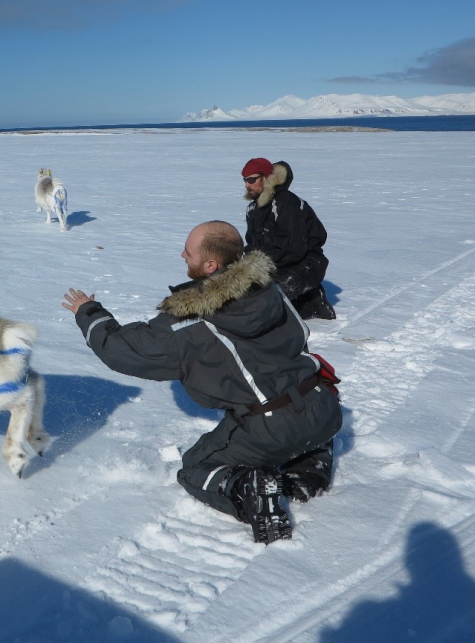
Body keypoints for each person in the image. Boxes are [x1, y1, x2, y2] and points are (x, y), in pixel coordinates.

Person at [62, 220, 342, 544]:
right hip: (324, 405)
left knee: (196, 467)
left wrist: (90, 313)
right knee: (296, 418)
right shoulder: (270, 288)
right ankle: (310, 464)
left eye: (189, 251)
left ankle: (247, 490)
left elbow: (124, 352)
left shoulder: (194, 319)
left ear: (211, 265)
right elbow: (301, 336)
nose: (182, 254)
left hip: (272, 424)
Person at [241, 157, 336, 320]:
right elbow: (252, 243)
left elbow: (295, 249)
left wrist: (262, 268)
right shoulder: (253, 209)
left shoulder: (286, 203)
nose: (247, 184)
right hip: (276, 263)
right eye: (245, 180)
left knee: (264, 296)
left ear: (266, 178)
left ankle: (312, 297)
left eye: (251, 179)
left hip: (307, 263)